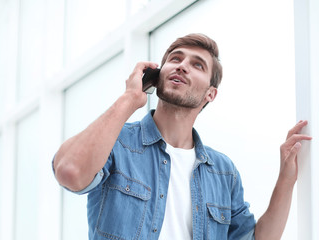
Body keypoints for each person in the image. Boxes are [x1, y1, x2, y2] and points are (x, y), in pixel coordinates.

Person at [52, 33, 312, 240]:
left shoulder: (223, 172)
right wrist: (130, 98)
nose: (183, 66)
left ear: (211, 94)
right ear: (157, 76)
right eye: (175, 59)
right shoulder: (116, 143)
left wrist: (287, 180)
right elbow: (70, 172)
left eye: (197, 64)